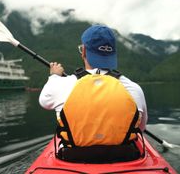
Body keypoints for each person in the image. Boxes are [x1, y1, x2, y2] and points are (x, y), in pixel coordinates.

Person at [39, 24, 148, 162]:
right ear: (113, 53)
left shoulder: (61, 84)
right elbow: (141, 127)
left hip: (72, 157)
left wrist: (54, 76)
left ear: (83, 51)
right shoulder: (134, 88)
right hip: (125, 156)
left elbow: (44, 102)